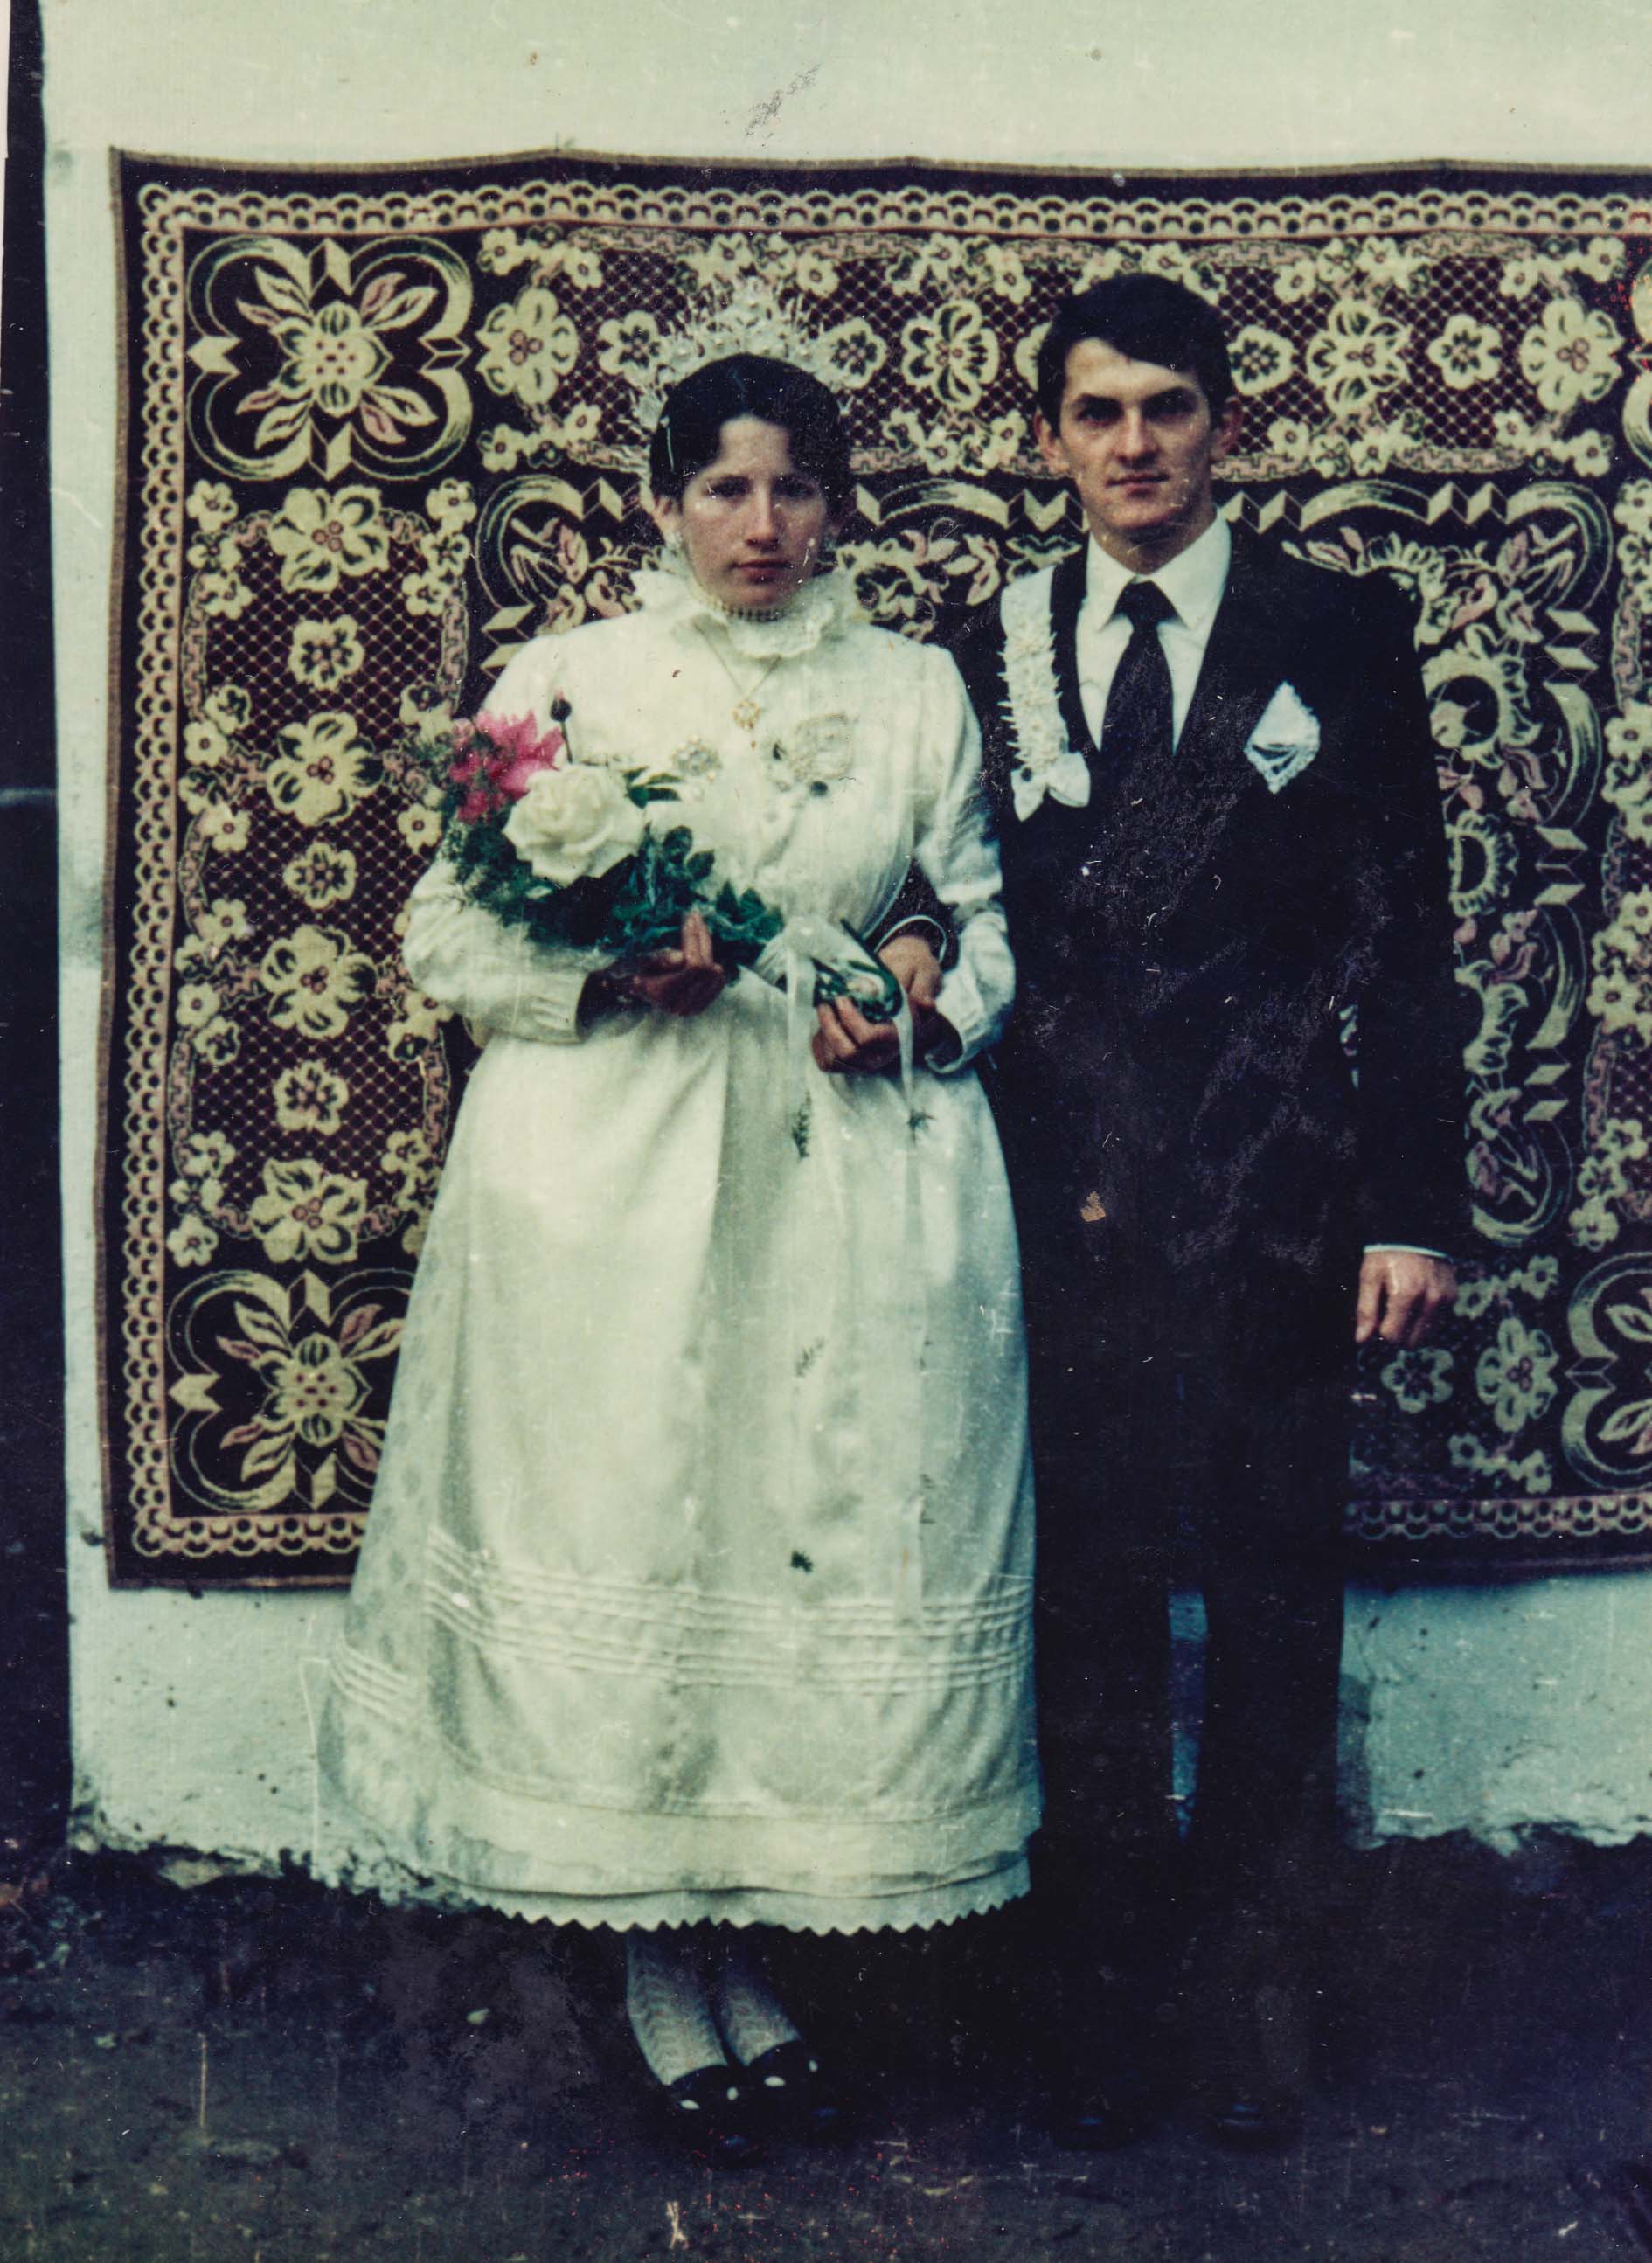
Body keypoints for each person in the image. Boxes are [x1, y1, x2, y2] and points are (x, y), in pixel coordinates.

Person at [318, 354, 1038, 2166]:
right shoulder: (567, 679)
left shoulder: (915, 689)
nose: (762, 527)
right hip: (618, 1170)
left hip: (845, 1160)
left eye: (794, 489)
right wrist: (603, 970)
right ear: (660, 504)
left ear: (839, 505)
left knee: (800, 1515)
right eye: (723, 489)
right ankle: (659, 1961)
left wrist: (923, 1002)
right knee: (648, 1509)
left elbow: (977, 914)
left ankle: (756, 1949)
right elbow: (441, 933)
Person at [952, 275, 1468, 2149]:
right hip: (1067, 1194)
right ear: (1048, 439)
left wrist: (1409, 1207)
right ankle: (1101, 2018)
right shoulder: (985, 643)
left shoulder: (1334, 628)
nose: (1135, 446)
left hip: (1283, 1193)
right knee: (1088, 1599)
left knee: (1268, 1596)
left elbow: (1407, 936)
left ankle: (1254, 2006)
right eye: (1097, 413)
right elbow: (959, 896)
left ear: (1226, 426)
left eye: (1168, 407)